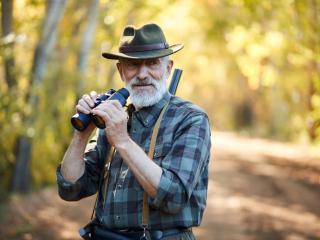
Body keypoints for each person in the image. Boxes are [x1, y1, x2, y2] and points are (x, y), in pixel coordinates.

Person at [56, 23, 211, 240]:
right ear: (121, 70)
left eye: (152, 63)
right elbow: (71, 188)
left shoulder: (190, 119)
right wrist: (81, 135)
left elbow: (173, 197)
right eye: (133, 65)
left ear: (168, 68)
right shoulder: (116, 118)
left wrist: (122, 140)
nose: (142, 74)